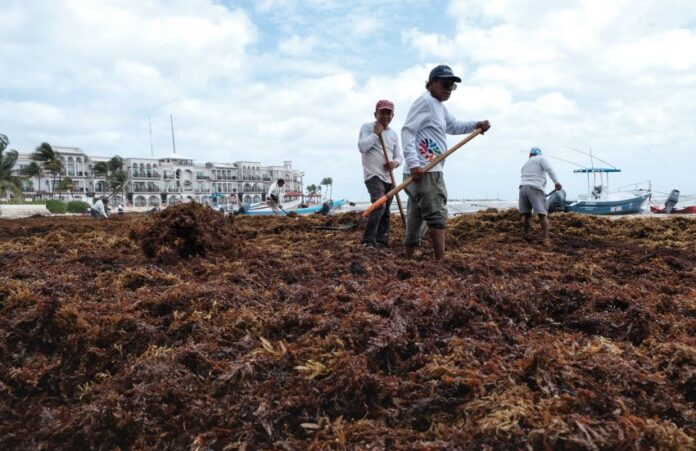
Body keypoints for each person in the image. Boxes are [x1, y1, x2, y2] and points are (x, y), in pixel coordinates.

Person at [401, 64, 491, 261]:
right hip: (425, 170)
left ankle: (407, 258)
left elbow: (453, 126)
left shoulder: (439, 107)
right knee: (437, 215)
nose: (449, 89)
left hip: (422, 171)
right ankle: (441, 260)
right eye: (445, 84)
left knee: (415, 217)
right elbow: (408, 131)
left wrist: (476, 125)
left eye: (452, 86)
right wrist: (415, 163)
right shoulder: (425, 101)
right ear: (431, 83)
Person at [358, 99, 403, 248]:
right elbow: (362, 147)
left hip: (388, 177)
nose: (385, 116)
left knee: (386, 211)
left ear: (392, 116)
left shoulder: (393, 135)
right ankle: (367, 241)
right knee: (379, 206)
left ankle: (382, 241)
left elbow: (399, 156)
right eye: (382, 112)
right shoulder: (367, 128)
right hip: (373, 175)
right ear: (375, 114)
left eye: (388, 113)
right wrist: (376, 134)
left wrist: (394, 163)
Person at [519, 147, 562, 242]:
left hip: (522, 188)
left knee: (526, 215)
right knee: (542, 214)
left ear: (530, 155)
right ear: (539, 154)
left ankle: (526, 235)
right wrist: (556, 182)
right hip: (535, 188)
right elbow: (550, 170)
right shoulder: (541, 159)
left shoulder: (525, 163)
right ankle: (545, 238)